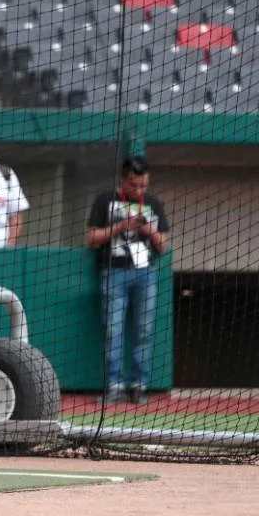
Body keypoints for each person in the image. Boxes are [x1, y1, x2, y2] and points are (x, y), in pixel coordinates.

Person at [85, 156, 170, 405]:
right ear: (124, 180)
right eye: (134, 185)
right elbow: (91, 238)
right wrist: (122, 226)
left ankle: (140, 385)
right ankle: (115, 385)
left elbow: (163, 246)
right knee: (114, 329)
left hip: (146, 271)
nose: (139, 190)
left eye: (143, 185)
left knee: (145, 329)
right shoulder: (105, 200)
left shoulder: (153, 203)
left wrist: (149, 230)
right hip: (114, 271)